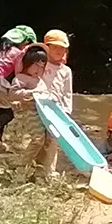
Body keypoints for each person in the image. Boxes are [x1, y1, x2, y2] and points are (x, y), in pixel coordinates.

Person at [31, 30, 74, 178]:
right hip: (37, 107)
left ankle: (48, 171)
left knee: (54, 139)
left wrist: (67, 111)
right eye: (54, 47)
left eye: (62, 48)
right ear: (46, 47)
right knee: (36, 138)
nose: (58, 51)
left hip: (56, 111)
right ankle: (29, 168)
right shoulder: (40, 64)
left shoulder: (66, 71)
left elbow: (67, 93)